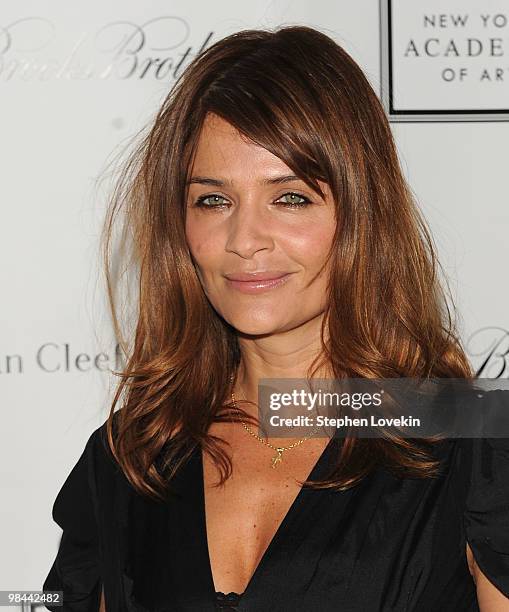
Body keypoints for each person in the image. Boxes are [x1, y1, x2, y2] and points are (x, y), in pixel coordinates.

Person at [42, 25, 509, 611]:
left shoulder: (472, 440)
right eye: (213, 199)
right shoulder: (131, 460)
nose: (244, 240)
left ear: (362, 213)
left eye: (290, 197)